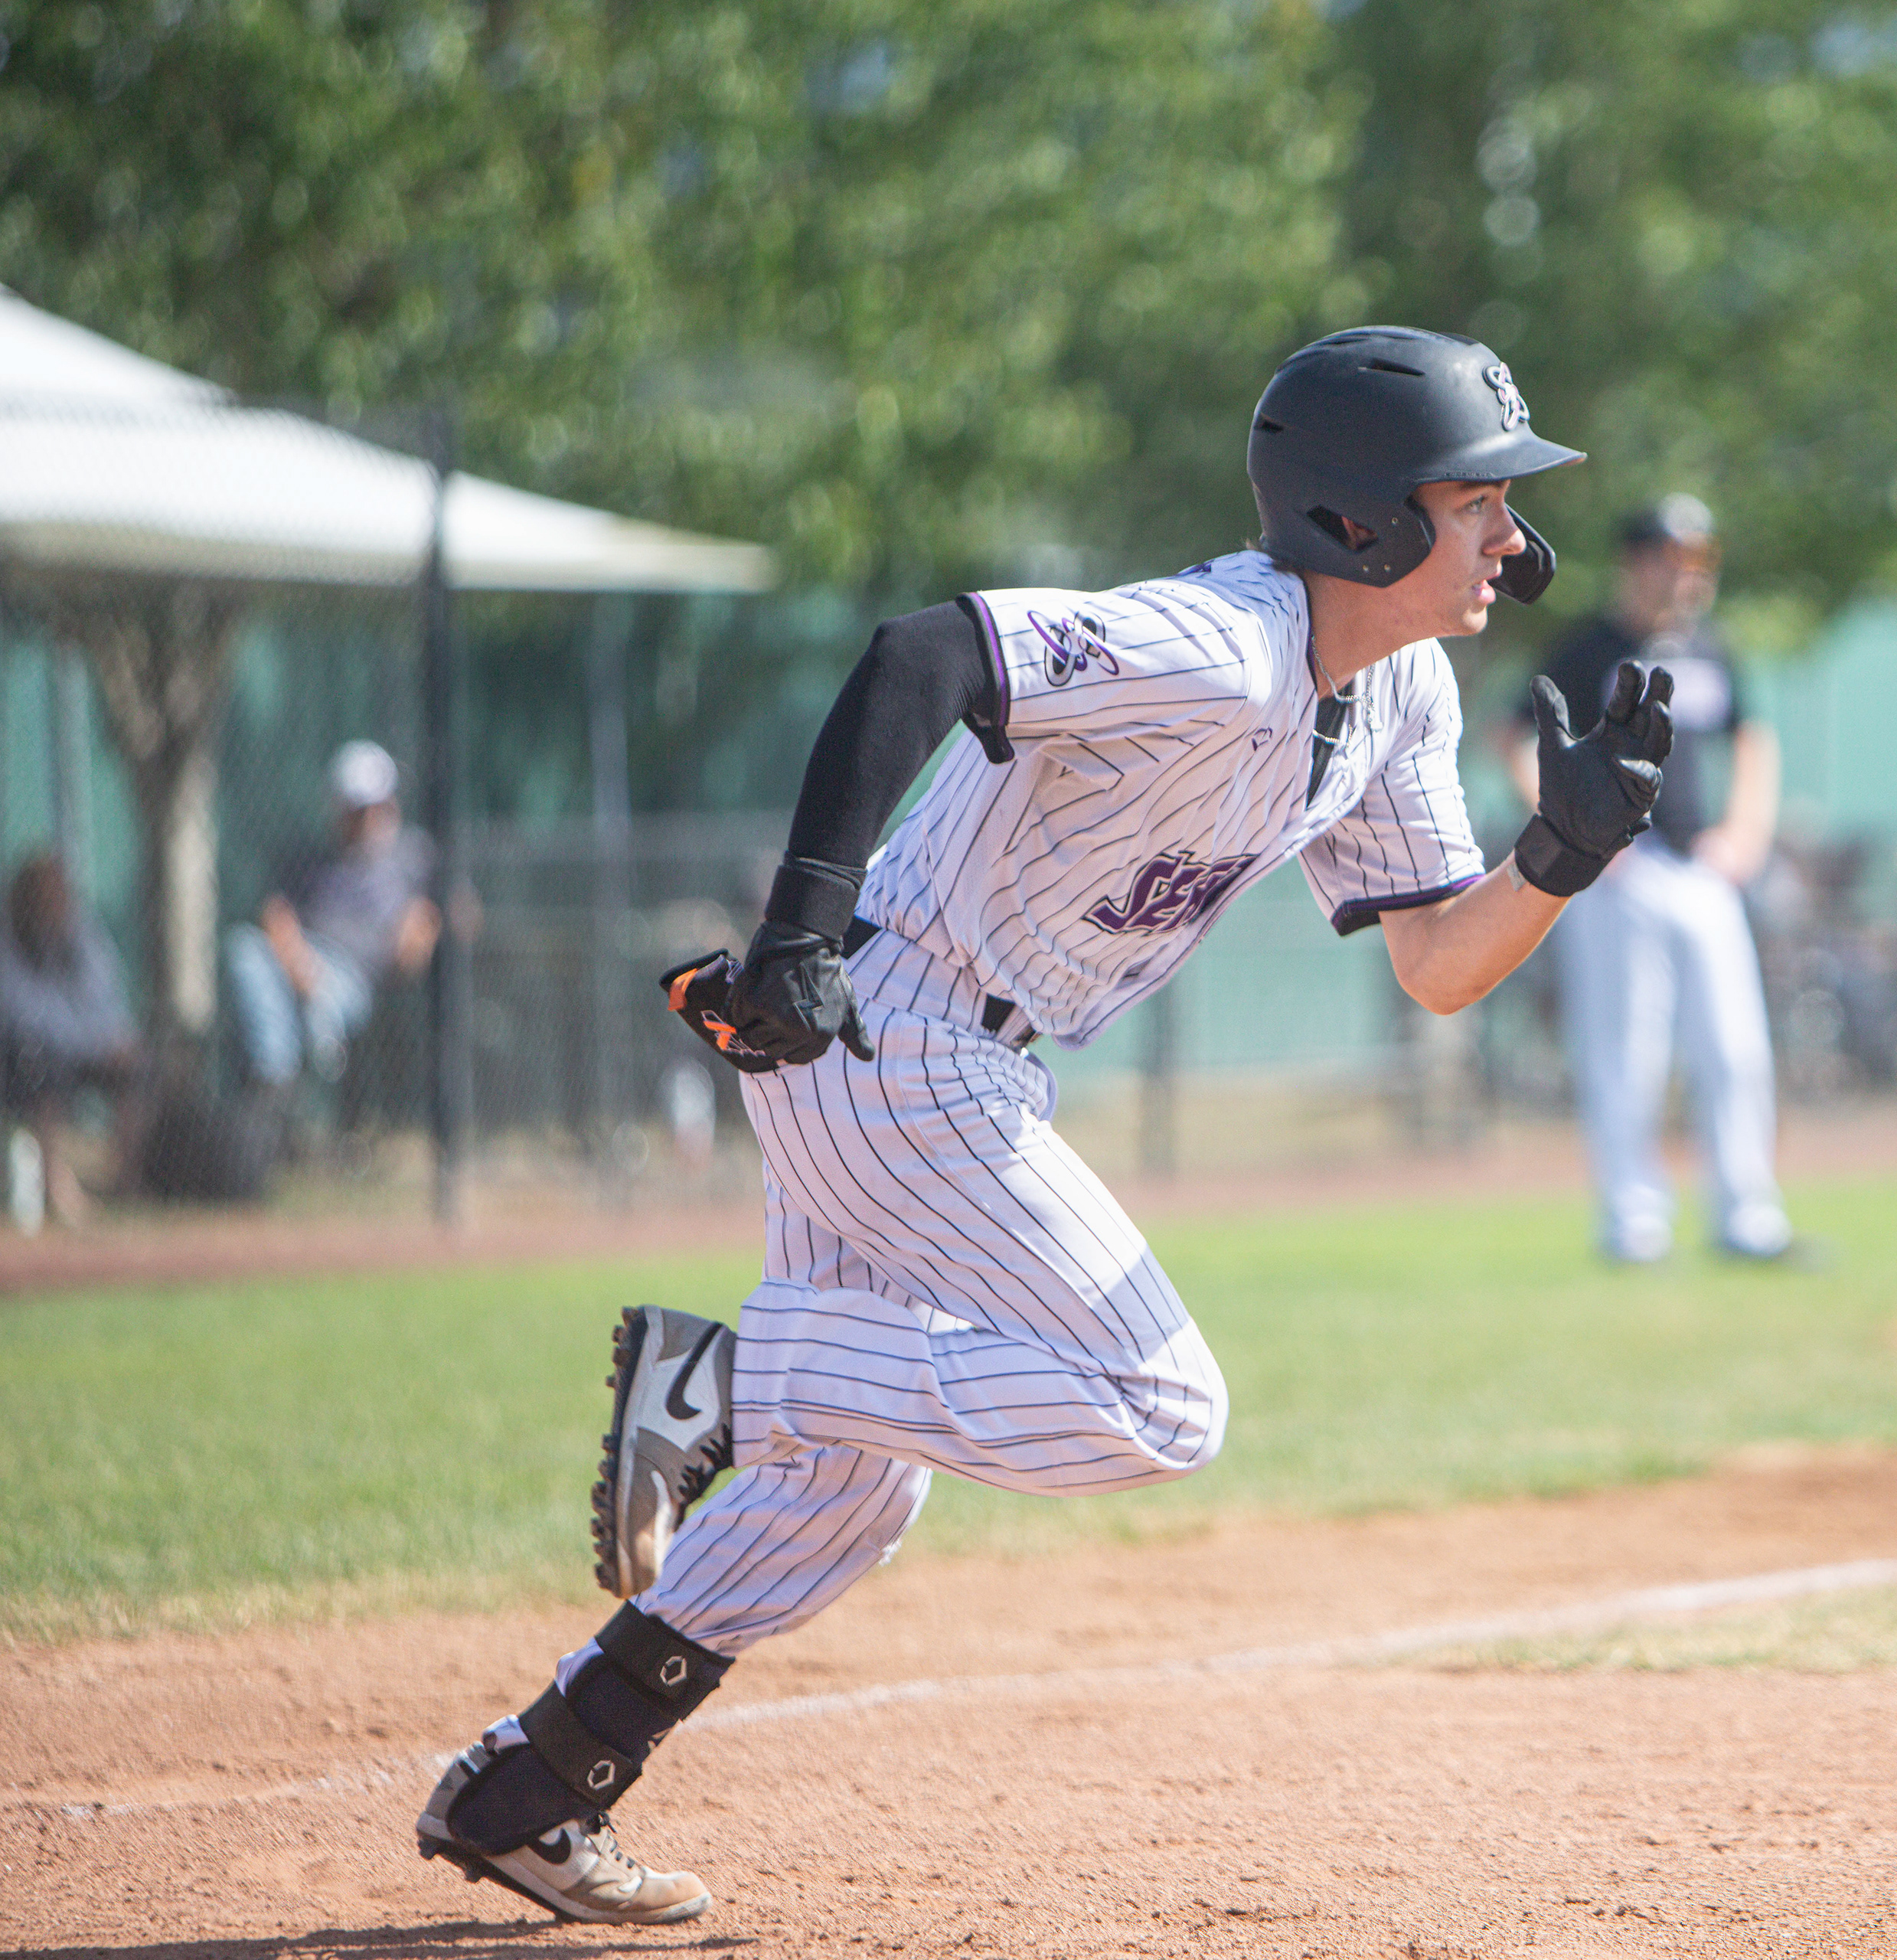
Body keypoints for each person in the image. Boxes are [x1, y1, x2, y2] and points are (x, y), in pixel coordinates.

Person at [411, 327, 1674, 1926]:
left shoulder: (1400, 692)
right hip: (889, 1026)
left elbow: (1436, 966)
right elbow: (922, 655)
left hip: (941, 1053)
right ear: (1362, 522)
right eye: (1476, 497)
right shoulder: (1220, 640)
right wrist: (799, 927)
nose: (1510, 533)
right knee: (1161, 1402)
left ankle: (536, 1781)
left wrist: (1561, 857)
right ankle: (725, 1377)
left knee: (852, 1490)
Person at [1507, 494, 1798, 1265]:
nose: (1690, 575)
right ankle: (1634, 1222)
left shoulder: (1710, 648)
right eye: (1675, 558)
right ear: (1635, 563)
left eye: (1701, 559)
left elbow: (1752, 738)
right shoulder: (1589, 649)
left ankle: (1748, 1217)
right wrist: (1575, 836)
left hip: (1702, 868)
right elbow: (1516, 735)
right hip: (1617, 876)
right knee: (1625, 1054)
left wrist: (1746, 832)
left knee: (1734, 1050)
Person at [223, 740, 441, 1093]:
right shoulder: (311, 859)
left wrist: (421, 930)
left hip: (355, 976)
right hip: (298, 959)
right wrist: (299, 965)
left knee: (319, 1006)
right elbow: (277, 914)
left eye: (374, 807)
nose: (366, 819)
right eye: (355, 809)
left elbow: (448, 916)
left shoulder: (413, 856)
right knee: (245, 949)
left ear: (390, 805)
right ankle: (275, 1081)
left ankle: (299, 1072)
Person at [0, 851, 137, 1225]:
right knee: (41, 1062)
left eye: (60, 896)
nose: (56, 906)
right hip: (22, 1056)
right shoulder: (9, 938)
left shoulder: (80, 933)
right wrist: (86, 1041)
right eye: (45, 896)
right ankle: (53, 1186)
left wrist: (105, 1042)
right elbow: (22, 1014)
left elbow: (106, 1002)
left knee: (134, 1063)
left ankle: (126, 1183)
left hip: (76, 1047)